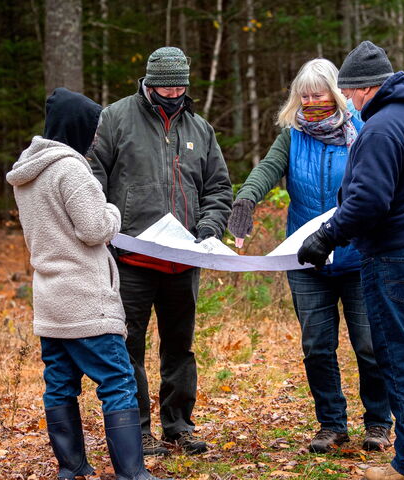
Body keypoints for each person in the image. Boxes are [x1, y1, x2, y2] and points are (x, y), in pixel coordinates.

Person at [297, 41, 404, 480]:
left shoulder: (381, 128)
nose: (349, 102)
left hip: (396, 258)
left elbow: (369, 200)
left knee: (401, 359)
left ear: (365, 88)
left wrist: (325, 237)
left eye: (349, 94)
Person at [227, 58, 392, 454]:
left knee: (369, 344)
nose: (311, 101)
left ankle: (378, 423)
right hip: (305, 258)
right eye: (304, 95)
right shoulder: (293, 135)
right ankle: (332, 425)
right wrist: (247, 197)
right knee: (317, 345)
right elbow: (268, 168)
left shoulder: (363, 130)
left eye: (318, 94)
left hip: (357, 255)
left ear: (335, 94)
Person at [7, 88, 170, 480]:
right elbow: (95, 228)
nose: (96, 137)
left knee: (60, 384)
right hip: (84, 297)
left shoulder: (27, 173)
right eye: (93, 128)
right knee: (117, 380)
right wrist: (112, 208)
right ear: (78, 127)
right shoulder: (70, 168)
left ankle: (72, 468)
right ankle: (133, 473)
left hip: (49, 297)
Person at [88, 47, 232, 456]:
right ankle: (136, 429)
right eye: (165, 84)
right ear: (148, 83)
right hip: (130, 258)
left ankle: (179, 425)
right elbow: (92, 176)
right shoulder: (115, 118)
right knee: (128, 345)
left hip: (183, 260)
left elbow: (219, 188)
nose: (173, 91)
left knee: (179, 347)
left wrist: (207, 230)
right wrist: (107, 225)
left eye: (180, 84)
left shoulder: (200, 129)